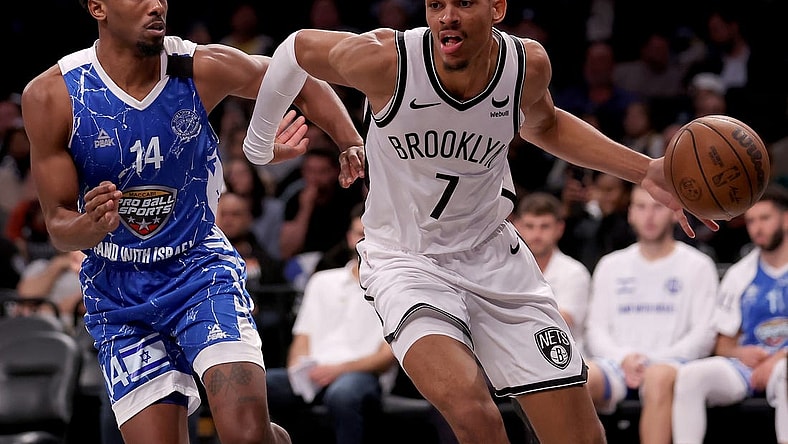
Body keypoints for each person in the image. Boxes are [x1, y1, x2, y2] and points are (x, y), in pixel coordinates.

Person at [242, 1, 719, 442]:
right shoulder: (386, 59)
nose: (447, 16)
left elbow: (546, 125)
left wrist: (645, 170)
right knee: (475, 415)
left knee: (581, 437)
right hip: (406, 262)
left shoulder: (526, 65)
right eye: (436, 5)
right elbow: (295, 48)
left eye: (464, 2)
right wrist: (258, 143)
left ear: (497, 8)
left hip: (493, 256)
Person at [19, 0, 364, 443]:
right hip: (118, 291)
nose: (157, 4)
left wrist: (349, 139)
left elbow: (295, 75)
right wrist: (91, 225)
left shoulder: (199, 66)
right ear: (98, 7)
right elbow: (57, 224)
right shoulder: (52, 95)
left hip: (199, 269)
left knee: (246, 436)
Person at [584, 185, 719, 444]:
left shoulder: (698, 265)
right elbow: (595, 330)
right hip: (618, 363)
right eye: (641, 207)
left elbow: (703, 334)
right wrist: (624, 358)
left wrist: (653, 361)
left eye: (657, 207)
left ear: (673, 213)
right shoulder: (610, 265)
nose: (649, 216)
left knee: (658, 378)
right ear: (630, 214)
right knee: (579, 378)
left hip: (672, 363)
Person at [265, 208, 398, 444]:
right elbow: (301, 341)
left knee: (343, 393)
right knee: (261, 385)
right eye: (360, 234)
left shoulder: (395, 289)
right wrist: (300, 369)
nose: (365, 242)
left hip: (362, 376)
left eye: (373, 235)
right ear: (349, 237)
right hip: (314, 374)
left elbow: (387, 357)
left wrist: (338, 370)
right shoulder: (322, 281)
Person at [672, 184, 788, 444]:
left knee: (786, 372)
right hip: (750, 368)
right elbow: (722, 342)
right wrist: (739, 352)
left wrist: (778, 358)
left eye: (765, 218)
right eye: (751, 221)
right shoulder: (739, 274)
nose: (757, 228)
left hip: (782, 367)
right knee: (690, 375)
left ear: (786, 218)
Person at [511, 191, 592, 356]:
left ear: (559, 228)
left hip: (566, 357)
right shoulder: (504, 270)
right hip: (516, 356)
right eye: (530, 226)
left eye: (544, 226)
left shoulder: (574, 272)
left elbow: (562, 320)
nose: (537, 235)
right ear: (517, 227)